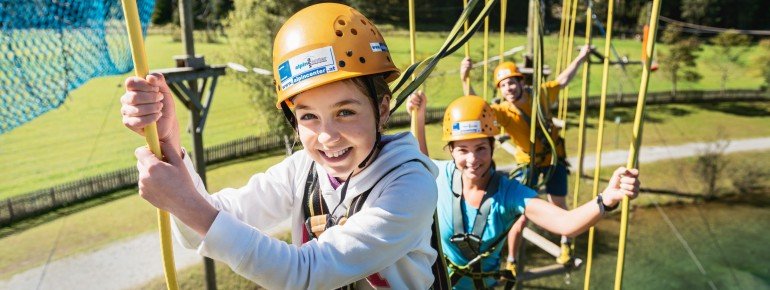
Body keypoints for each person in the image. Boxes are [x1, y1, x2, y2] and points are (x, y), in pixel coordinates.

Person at [120, 3, 446, 289]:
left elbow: (306, 274)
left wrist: (187, 204)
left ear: (382, 109)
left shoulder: (409, 185)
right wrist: (170, 144)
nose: (327, 136)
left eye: (345, 112)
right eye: (309, 116)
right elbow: (200, 229)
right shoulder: (304, 170)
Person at [406, 92, 640, 289]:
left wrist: (605, 200)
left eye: (480, 148)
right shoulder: (442, 176)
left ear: (492, 147)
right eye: (463, 150)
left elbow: (565, 223)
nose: (473, 159)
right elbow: (419, 158)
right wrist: (418, 115)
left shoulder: (509, 194)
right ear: (451, 151)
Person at [459, 46, 593, 269]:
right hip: (528, 162)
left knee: (559, 205)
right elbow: (478, 108)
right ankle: (512, 260)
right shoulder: (504, 111)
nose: (508, 88)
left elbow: (563, 80)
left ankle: (566, 245)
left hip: (553, 160)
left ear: (521, 83)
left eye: (512, 83)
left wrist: (580, 57)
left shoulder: (540, 96)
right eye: (503, 85)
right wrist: (465, 78)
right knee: (519, 214)